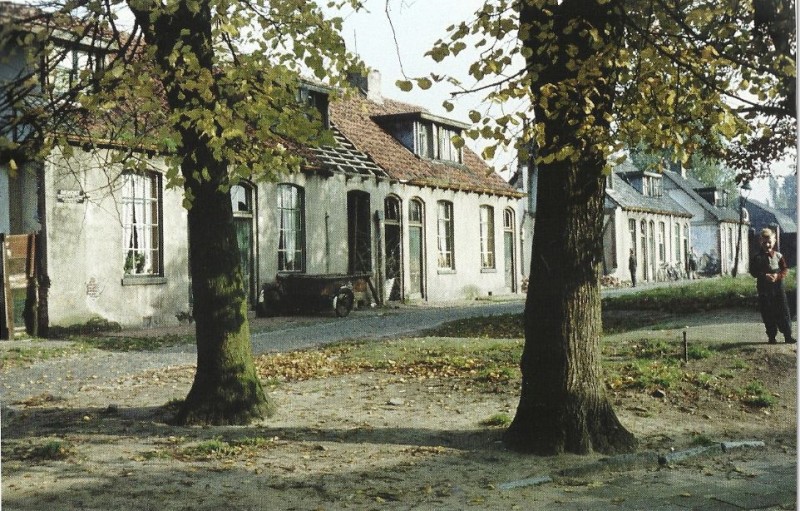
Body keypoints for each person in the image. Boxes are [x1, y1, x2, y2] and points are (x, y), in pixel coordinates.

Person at [749, 228, 795, 344]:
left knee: (783, 311)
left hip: (778, 288)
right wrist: (764, 276)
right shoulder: (756, 258)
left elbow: (784, 269)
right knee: (767, 312)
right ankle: (771, 336)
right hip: (764, 289)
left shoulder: (778, 256)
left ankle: (787, 335)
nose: (767, 245)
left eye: (769, 242)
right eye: (764, 242)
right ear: (760, 242)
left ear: (774, 241)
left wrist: (778, 276)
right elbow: (753, 272)